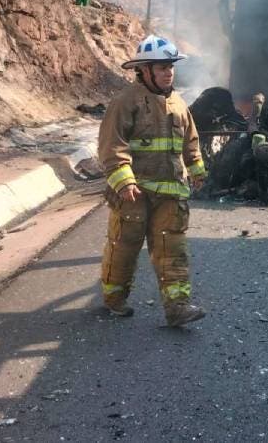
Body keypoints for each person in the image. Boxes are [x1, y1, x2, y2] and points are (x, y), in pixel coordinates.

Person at [97, 34, 208, 327]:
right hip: (134, 193)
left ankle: (177, 307)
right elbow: (112, 145)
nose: (169, 72)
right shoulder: (125, 102)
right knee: (124, 246)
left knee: (172, 248)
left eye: (170, 67)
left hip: (170, 192)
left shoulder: (179, 104)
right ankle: (114, 297)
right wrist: (124, 181)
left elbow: (191, 141)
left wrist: (196, 169)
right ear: (144, 70)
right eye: (161, 67)